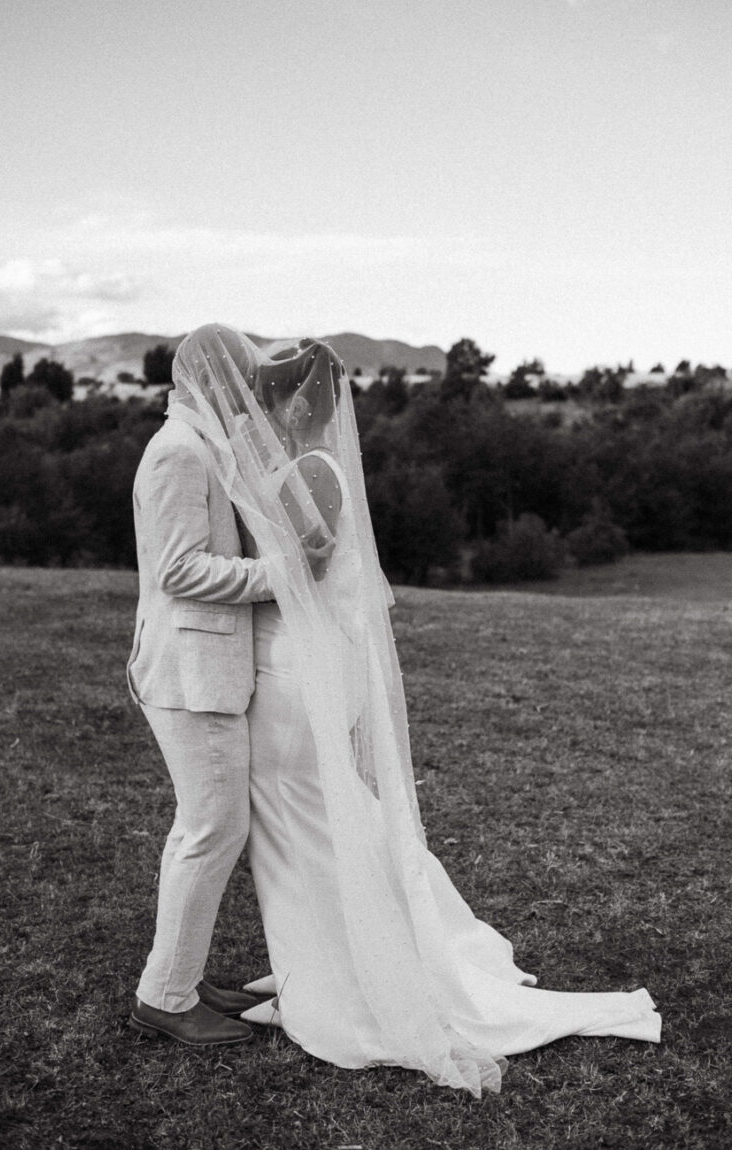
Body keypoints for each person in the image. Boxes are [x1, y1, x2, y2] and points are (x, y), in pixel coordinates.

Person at [162, 323, 661, 1096]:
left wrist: (277, 555)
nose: (258, 407)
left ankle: (348, 978)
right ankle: (319, 964)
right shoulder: (276, 464)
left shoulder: (311, 470)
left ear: (300, 406)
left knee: (299, 821)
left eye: (271, 395)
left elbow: (311, 566)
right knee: (307, 824)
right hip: (284, 664)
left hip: (292, 672)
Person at [125, 331, 276, 1046]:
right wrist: (280, 575)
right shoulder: (179, 454)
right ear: (212, 381)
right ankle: (166, 996)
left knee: (208, 827)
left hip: (201, 670)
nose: (245, 398)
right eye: (239, 383)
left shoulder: (197, 445)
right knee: (212, 828)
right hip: (190, 675)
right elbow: (180, 571)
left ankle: (181, 979)